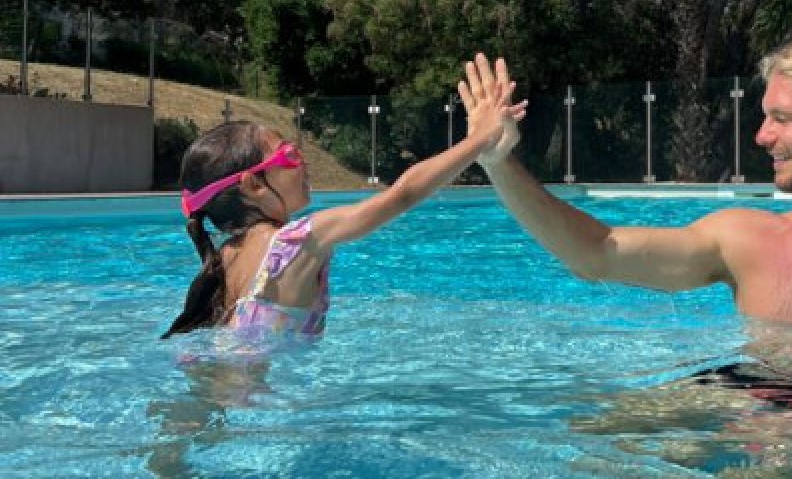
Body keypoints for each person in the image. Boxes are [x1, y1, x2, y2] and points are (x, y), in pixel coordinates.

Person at [457, 38, 792, 411]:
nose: (761, 136)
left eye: (782, 118)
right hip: (744, 396)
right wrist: (499, 161)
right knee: (593, 433)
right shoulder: (743, 239)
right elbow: (597, 253)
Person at [162, 59, 526, 340]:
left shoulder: (222, 261)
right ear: (254, 185)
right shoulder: (301, 240)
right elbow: (402, 195)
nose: (301, 160)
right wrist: (480, 138)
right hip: (274, 417)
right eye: (287, 155)